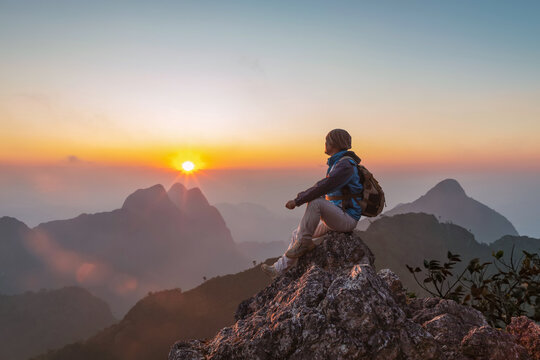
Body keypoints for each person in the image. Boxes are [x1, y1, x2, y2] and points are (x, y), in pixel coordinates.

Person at [261, 129, 364, 278]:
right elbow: (327, 189)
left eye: (327, 141)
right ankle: (278, 269)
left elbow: (324, 186)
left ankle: (304, 244)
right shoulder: (339, 163)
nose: (325, 144)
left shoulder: (345, 165)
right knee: (298, 233)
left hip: (346, 219)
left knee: (315, 203)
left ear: (335, 143)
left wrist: (298, 200)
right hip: (336, 217)